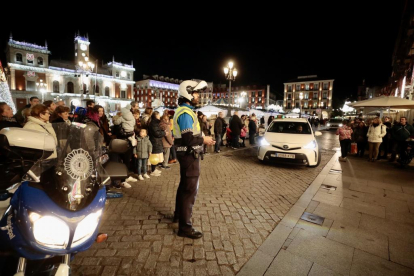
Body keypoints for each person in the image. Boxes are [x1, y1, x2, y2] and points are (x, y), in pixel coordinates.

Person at [171, 80, 215, 239]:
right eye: (196, 93)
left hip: (188, 156)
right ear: (188, 93)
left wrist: (204, 138)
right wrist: (204, 140)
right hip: (189, 157)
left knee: (184, 188)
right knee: (189, 191)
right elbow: (188, 139)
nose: (198, 96)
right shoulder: (184, 113)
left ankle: (178, 216)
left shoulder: (186, 111)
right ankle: (185, 228)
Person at [148, 111, 165, 176]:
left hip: (156, 141)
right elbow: (157, 133)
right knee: (154, 156)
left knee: (156, 156)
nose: (159, 116)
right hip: (155, 141)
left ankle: (154, 169)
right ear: (156, 115)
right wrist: (164, 133)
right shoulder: (154, 123)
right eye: (159, 115)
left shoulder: (154, 123)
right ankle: (153, 170)